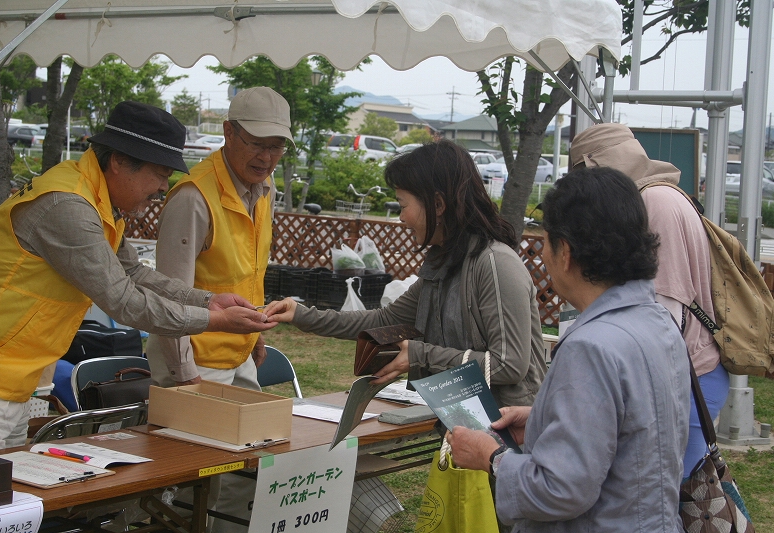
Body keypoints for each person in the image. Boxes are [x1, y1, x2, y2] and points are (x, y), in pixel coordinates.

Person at [0, 101, 276, 452]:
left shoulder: (94, 198)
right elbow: (125, 301)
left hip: (10, 382)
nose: (164, 187)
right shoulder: (68, 205)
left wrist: (208, 299)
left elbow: (133, 271)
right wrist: (213, 319)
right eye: (160, 174)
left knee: (1, 501)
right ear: (118, 162)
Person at [447, 167, 691, 531]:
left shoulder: (591, 346)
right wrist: (543, 418)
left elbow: (560, 490)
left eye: (545, 242)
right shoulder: (657, 321)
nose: (542, 255)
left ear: (566, 252)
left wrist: (490, 456)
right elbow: (635, 429)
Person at [266, 140, 546, 407]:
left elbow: (508, 365)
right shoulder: (446, 262)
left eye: (403, 205)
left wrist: (419, 355)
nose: (401, 218)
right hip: (467, 430)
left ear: (438, 205)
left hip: (512, 439)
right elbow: (384, 320)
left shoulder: (496, 265)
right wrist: (300, 314)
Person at [144, 87, 291, 533]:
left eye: (277, 146)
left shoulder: (263, 189)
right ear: (228, 132)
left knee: (251, 468)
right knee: (194, 481)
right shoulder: (193, 197)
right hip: (192, 359)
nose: (267, 157)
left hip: (236, 352)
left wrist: (255, 335)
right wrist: (184, 374)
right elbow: (170, 296)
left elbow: (248, 271)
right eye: (257, 143)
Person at [568, 122, 729, 479]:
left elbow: (666, 309)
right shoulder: (660, 195)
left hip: (687, 377)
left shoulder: (654, 201)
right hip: (683, 373)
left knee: (661, 495)